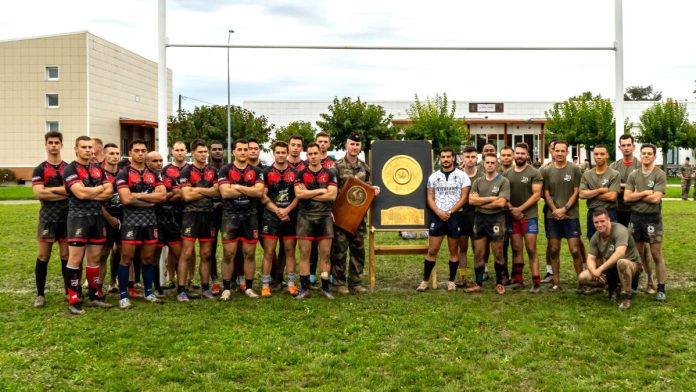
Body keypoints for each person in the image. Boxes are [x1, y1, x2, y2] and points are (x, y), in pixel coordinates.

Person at [62, 136, 114, 315]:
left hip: (97, 218)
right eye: (83, 147)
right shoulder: (70, 169)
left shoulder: (99, 169)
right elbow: (80, 194)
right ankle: (74, 299)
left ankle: (94, 296)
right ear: (76, 148)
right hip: (78, 218)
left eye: (90, 147)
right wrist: (99, 189)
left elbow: (109, 192)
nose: (88, 150)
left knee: (94, 259)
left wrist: (91, 191)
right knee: (75, 259)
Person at [114, 140, 166, 309]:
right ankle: (123, 296)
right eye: (136, 150)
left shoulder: (154, 173)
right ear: (130, 153)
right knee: (127, 258)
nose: (140, 153)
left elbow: (161, 197)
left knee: (148, 258)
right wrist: (149, 198)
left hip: (150, 221)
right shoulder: (124, 173)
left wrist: (137, 195)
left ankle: (148, 292)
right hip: (131, 221)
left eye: (143, 150)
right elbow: (125, 199)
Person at [331, 132, 380, 294]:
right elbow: (331, 191)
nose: (354, 147)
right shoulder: (336, 166)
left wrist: (374, 190)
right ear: (346, 145)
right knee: (339, 250)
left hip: (359, 217)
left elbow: (368, 187)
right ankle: (339, 282)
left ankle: (355, 282)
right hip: (340, 216)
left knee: (358, 250)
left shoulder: (365, 167)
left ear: (360, 147)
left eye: (357, 145)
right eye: (351, 144)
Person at [217, 138, 265, 300]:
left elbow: (259, 193)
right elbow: (225, 193)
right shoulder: (225, 170)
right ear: (234, 152)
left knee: (249, 253)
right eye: (240, 149)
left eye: (246, 149)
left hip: (250, 216)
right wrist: (248, 190)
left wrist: (237, 187)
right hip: (230, 216)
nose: (243, 152)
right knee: (229, 253)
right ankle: (226, 288)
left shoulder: (257, 171)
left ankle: (249, 288)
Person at [417, 148, 470, 292]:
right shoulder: (433, 176)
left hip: (455, 217)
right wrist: (439, 212)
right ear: (440, 159)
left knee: (453, 250)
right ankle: (425, 281)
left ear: (453, 158)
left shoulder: (462, 176)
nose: (445, 159)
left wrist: (450, 211)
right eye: (443, 157)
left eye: (448, 157)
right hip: (438, 217)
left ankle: (451, 281)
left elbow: (464, 197)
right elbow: (430, 197)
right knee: (432, 250)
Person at [176, 139, 220, 302]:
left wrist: (197, 190)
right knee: (186, 253)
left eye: (205, 152)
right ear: (192, 153)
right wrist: (208, 191)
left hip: (208, 215)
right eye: (200, 152)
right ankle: (181, 289)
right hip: (190, 215)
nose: (203, 155)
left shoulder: (213, 171)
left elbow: (218, 193)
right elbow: (186, 195)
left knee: (207, 254)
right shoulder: (186, 172)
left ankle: (205, 287)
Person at [293, 142, 338, 299]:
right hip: (305, 217)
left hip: (325, 217)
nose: (312, 156)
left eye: (315, 153)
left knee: (325, 255)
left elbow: (332, 195)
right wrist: (320, 190)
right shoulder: (300, 174)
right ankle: (304, 288)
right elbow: (299, 195)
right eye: (310, 154)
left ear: (320, 154)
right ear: (307, 156)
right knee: (304, 255)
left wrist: (309, 193)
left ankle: (325, 287)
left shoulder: (330, 173)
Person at [624, 143, 667, 301]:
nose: (646, 156)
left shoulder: (659, 174)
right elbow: (627, 198)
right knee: (637, 254)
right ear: (640, 155)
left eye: (650, 153)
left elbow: (656, 198)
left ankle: (661, 288)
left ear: (655, 156)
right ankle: (637, 283)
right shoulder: (633, 175)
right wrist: (645, 192)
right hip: (636, 218)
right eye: (644, 153)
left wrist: (637, 194)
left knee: (656, 254)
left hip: (653, 219)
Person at [31, 131, 69, 308]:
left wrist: (50, 191)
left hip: (67, 218)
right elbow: (39, 193)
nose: (53, 145)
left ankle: (69, 292)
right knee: (43, 255)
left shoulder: (69, 168)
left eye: (57, 142)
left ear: (62, 145)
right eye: (50, 142)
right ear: (45, 145)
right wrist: (63, 192)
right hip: (47, 218)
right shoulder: (40, 169)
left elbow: (74, 191)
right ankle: (40, 294)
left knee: (66, 255)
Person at [578, 208, 642, 310]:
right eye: (596, 222)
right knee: (583, 277)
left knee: (622, 263)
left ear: (608, 220)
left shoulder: (620, 230)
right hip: (612, 268)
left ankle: (627, 297)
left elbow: (620, 253)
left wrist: (600, 269)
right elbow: (590, 258)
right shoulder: (596, 236)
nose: (599, 225)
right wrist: (594, 271)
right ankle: (611, 288)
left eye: (602, 221)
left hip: (632, 266)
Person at [540, 140, 584, 291]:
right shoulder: (546, 171)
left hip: (570, 215)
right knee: (554, 249)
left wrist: (564, 209)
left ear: (567, 152)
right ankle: (556, 282)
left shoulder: (575, 169)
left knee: (575, 250)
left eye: (562, 151)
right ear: (553, 152)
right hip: (552, 216)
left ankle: (581, 281)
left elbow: (576, 191)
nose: (559, 153)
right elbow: (545, 192)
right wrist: (555, 210)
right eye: (556, 151)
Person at [466, 153, 510, 294]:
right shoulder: (478, 182)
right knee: (478, 252)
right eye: (487, 162)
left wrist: (481, 203)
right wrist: (492, 199)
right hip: (480, 220)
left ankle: (499, 282)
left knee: (498, 252)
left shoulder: (503, 181)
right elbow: (471, 201)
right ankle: (478, 282)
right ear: (483, 164)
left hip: (496, 219)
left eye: (492, 162)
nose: (490, 165)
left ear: (496, 164)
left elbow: (501, 203)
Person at [260, 141, 300, 297]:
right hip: (271, 216)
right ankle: (265, 285)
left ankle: (291, 284)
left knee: (290, 252)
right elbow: (262, 196)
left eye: (284, 152)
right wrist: (277, 210)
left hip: (289, 217)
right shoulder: (266, 172)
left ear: (288, 152)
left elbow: (298, 195)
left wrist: (287, 210)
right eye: (278, 152)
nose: (281, 155)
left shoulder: (296, 172)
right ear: (273, 153)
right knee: (269, 252)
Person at [503, 142, 543, 293]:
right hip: (513, 216)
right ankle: (518, 280)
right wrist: (512, 208)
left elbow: (537, 195)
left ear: (527, 155)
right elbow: (503, 195)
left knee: (531, 249)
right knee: (516, 248)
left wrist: (520, 209)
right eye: (517, 153)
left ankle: (536, 282)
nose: (519, 156)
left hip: (529, 216)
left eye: (522, 153)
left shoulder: (534, 173)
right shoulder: (507, 174)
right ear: (514, 155)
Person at [147, 151, 182, 298]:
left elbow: (178, 193)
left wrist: (163, 197)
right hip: (154, 221)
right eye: (155, 161)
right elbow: (148, 199)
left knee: (180, 254)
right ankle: (156, 287)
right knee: (154, 256)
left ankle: (182, 287)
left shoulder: (168, 176)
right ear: (147, 163)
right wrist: (161, 197)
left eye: (161, 160)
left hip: (170, 220)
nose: (159, 163)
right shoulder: (145, 178)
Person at [161, 141, 189, 289]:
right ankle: (171, 278)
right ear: (172, 152)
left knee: (188, 247)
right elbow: (165, 193)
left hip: (188, 211)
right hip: (171, 212)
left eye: (182, 150)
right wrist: (180, 193)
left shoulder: (191, 169)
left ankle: (190, 278)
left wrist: (182, 192)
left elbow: (191, 192)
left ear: (186, 152)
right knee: (172, 247)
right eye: (177, 150)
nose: (179, 153)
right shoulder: (166, 170)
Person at [579, 145, 620, 240]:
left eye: (602, 154)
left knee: (610, 242)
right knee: (593, 241)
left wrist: (591, 193)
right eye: (596, 154)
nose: (599, 156)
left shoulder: (614, 174)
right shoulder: (587, 174)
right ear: (593, 156)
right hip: (593, 212)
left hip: (609, 211)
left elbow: (612, 196)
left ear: (607, 155)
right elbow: (581, 194)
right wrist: (600, 190)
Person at [99, 144, 123, 295]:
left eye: (117, 153)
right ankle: (98, 287)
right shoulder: (98, 174)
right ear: (104, 155)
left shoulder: (124, 173)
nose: (115, 156)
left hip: (124, 218)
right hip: (104, 218)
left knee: (121, 252)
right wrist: (109, 218)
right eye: (111, 153)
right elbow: (95, 200)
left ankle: (114, 282)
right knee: (103, 253)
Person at [457, 145, 482, 287]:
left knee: (478, 249)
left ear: (477, 158)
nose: (470, 160)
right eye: (467, 157)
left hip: (478, 216)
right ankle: (462, 277)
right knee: (462, 248)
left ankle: (478, 277)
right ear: (462, 158)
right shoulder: (457, 175)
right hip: (461, 216)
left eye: (473, 157)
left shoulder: (483, 176)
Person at [609, 134, 641, 228]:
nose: (626, 148)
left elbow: (641, 188)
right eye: (623, 145)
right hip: (618, 209)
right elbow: (609, 188)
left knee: (637, 240)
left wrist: (620, 186)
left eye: (628, 145)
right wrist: (630, 187)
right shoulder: (613, 167)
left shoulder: (640, 166)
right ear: (619, 147)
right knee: (619, 238)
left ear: (633, 146)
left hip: (636, 209)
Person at [208, 141, 225, 294]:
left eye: (220, 149)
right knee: (210, 248)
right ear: (210, 152)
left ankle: (231, 277)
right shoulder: (206, 170)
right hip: (210, 214)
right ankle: (214, 279)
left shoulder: (229, 168)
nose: (217, 152)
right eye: (214, 149)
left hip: (228, 213)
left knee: (231, 247)